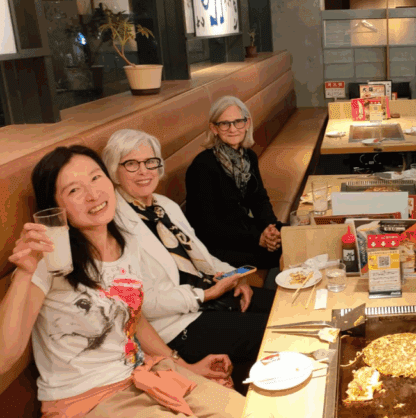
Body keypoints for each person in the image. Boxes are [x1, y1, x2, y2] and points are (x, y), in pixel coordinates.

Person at [0, 145, 244, 418]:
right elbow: (4, 357)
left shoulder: (126, 244)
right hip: (88, 400)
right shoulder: (50, 260)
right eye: (74, 190)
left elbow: (135, 319)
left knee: (245, 411)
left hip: (144, 375)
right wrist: (24, 273)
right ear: (56, 208)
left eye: (96, 177)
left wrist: (184, 365)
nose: (93, 195)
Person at [102, 129, 274, 395]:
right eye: (131, 164)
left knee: (283, 305)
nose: (144, 171)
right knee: (273, 332)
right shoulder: (115, 225)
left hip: (212, 297)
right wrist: (205, 295)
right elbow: (143, 304)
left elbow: (202, 258)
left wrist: (233, 277)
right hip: (178, 324)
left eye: (150, 162)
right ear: (115, 170)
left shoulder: (163, 205)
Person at [185, 95, 282, 274]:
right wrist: (257, 238)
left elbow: (259, 199)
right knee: (281, 252)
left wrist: (271, 228)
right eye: (224, 124)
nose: (232, 129)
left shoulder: (249, 157)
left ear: (247, 124)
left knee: (291, 236)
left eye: (238, 122)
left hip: (243, 230)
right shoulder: (202, 166)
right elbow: (207, 227)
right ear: (214, 128)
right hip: (218, 244)